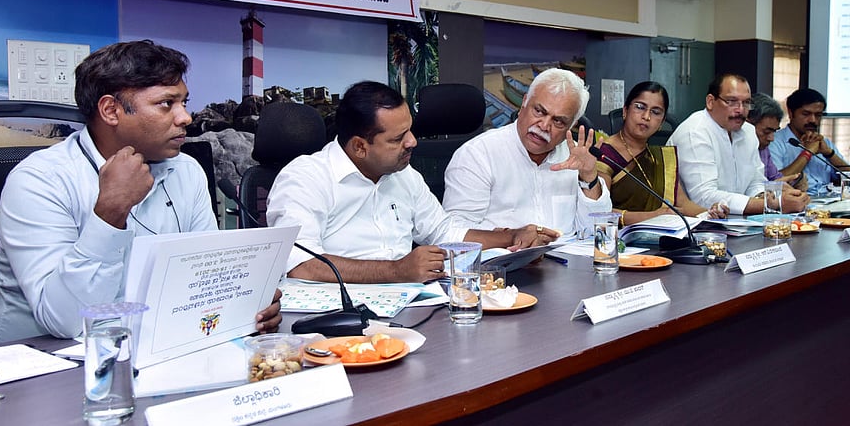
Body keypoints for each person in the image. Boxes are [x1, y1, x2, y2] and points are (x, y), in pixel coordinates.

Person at [0, 40, 282, 345]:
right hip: (39, 366)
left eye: (184, 103)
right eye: (167, 104)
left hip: (151, 344)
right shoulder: (39, 181)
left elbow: (202, 279)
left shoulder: (186, 170)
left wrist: (244, 302)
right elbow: (64, 320)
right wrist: (111, 213)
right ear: (111, 110)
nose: (185, 118)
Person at [266, 81, 546, 284]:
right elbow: (302, 265)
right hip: (335, 318)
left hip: (409, 304)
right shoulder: (305, 178)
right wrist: (396, 271)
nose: (412, 142)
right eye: (398, 138)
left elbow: (444, 231)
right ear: (360, 147)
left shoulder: (404, 175)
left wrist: (511, 237)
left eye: (410, 130)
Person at [443, 68, 611, 237]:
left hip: (568, 260)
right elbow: (455, 234)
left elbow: (598, 233)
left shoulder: (574, 157)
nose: (544, 126)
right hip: (500, 260)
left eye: (558, 121)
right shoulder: (478, 154)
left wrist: (588, 176)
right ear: (524, 102)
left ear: (572, 125)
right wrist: (509, 239)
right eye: (539, 111)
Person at [666, 73, 810, 215]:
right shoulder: (695, 132)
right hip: (695, 225)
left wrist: (768, 196)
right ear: (711, 102)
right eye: (732, 101)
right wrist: (772, 205)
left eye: (746, 103)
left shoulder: (748, 131)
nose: (740, 110)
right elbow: (703, 197)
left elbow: (755, 183)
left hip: (736, 223)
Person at [595, 81, 728, 225]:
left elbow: (683, 205)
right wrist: (654, 216)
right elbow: (600, 212)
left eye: (655, 112)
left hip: (659, 239)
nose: (646, 116)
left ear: (662, 122)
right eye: (640, 107)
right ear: (625, 111)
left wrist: (709, 213)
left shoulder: (660, 159)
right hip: (616, 239)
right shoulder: (604, 153)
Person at [769, 88, 850, 196]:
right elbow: (775, 183)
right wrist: (808, 152)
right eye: (806, 114)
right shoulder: (774, 142)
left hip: (829, 203)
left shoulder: (824, 143)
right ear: (791, 113)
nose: (813, 120)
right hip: (796, 204)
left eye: (818, 115)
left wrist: (829, 153)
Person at [746, 92, 807, 189]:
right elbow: (745, 191)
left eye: (774, 131)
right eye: (766, 132)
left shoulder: (763, 149)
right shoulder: (734, 148)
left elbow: (774, 178)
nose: (771, 138)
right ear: (748, 125)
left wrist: (792, 181)